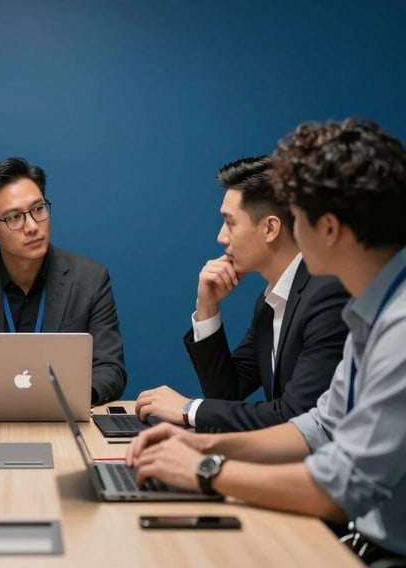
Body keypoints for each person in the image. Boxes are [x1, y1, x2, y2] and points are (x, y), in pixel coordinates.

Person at [126, 118, 406, 564]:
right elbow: (319, 426)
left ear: (328, 229)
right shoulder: (370, 308)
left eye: (300, 216)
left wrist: (205, 469)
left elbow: (342, 487)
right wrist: (203, 444)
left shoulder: (397, 323)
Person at [135, 156, 349, 432]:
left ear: (270, 228)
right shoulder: (271, 300)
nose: (221, 237)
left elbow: (297, 417)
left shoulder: (327, 295)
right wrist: (207, 307)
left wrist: (188, 409)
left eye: (230, 223)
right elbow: (227, 393)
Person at [0, 157, 126, 406]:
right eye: (14, 218)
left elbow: (111, 368)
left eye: (38, 209)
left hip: (65, 418)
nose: (32, 226)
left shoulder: (91, 280)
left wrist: (76, 397)